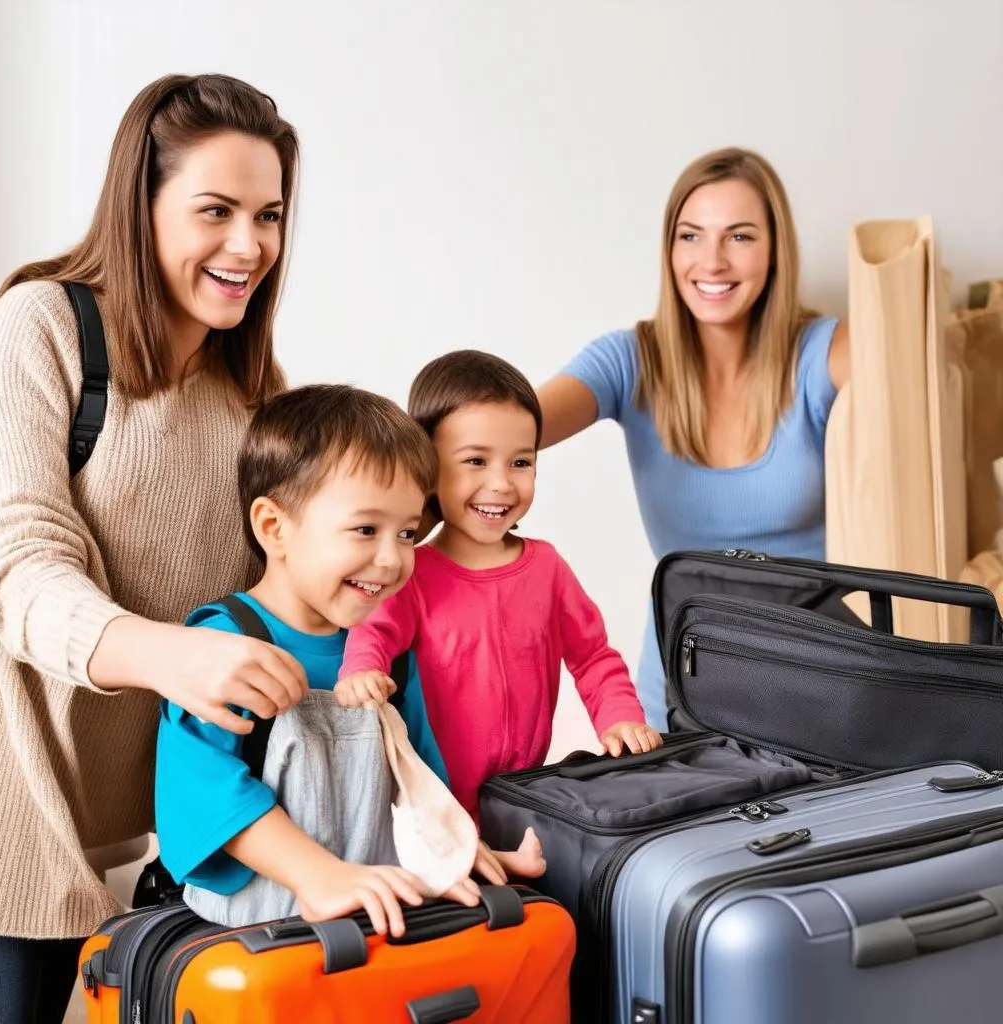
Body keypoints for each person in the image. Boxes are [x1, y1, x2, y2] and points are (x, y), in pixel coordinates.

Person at [0, 73, 305, 1024]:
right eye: (216, 210)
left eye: (270, 215)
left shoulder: (252, 390)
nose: (249, 246)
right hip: (21, 824)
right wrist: (172, 656)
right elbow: (14, 566)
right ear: (143, 202)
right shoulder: (42, 327)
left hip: (179, 836)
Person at [156, 384, 534, 937]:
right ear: (273, 527)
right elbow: (201, 793)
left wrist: (457, 850)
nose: (392, 559)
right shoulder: (224, 647)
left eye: (407, 533)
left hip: (367, 936)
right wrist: (319, 875)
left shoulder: (391, 656)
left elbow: (420, 782)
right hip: (259, 942)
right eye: (365, 529)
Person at [536, 147, 851, 729]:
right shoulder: (629, 360)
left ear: (776, 248)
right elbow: (516, 424)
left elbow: (915, 404)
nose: (712, 261)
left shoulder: (824, 352)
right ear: (669, 249)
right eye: (691, 236)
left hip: (819, 684)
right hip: (681, 687)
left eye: (740, 237)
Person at [338, 350, 661, 822]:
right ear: (427, 465)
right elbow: (373, 633)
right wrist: (362, 670)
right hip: (431, 804)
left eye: (520, 463)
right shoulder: (412, 572)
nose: (501, 484)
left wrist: (621, 717)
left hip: (523, 794)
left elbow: (593, 657)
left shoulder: (547, 568)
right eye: (475, 460)